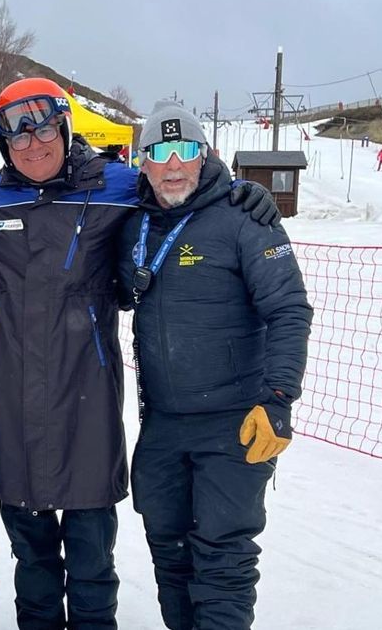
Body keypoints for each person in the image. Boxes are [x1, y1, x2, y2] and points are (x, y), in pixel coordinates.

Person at [0, 79, 283, 630]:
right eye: (17, 135)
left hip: (87, 401)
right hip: (15, 403)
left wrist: (238, 190)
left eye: (45, 127)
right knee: (33, 559)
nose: (33, 143)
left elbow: (179, 192)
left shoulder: (117, 186)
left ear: (66, 128)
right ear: (3, 144)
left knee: (94, 560)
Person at [118, 101, 312, 630]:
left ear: (206, 156)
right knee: (168, 547)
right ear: (143, 163)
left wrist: (277, 400)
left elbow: (289, 308)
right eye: (160, 152)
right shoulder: (133, 225)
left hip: (235, 419)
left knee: (223, 556)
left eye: (186, 150)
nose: (174, 164)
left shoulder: (244, 218)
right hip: (163, 422)